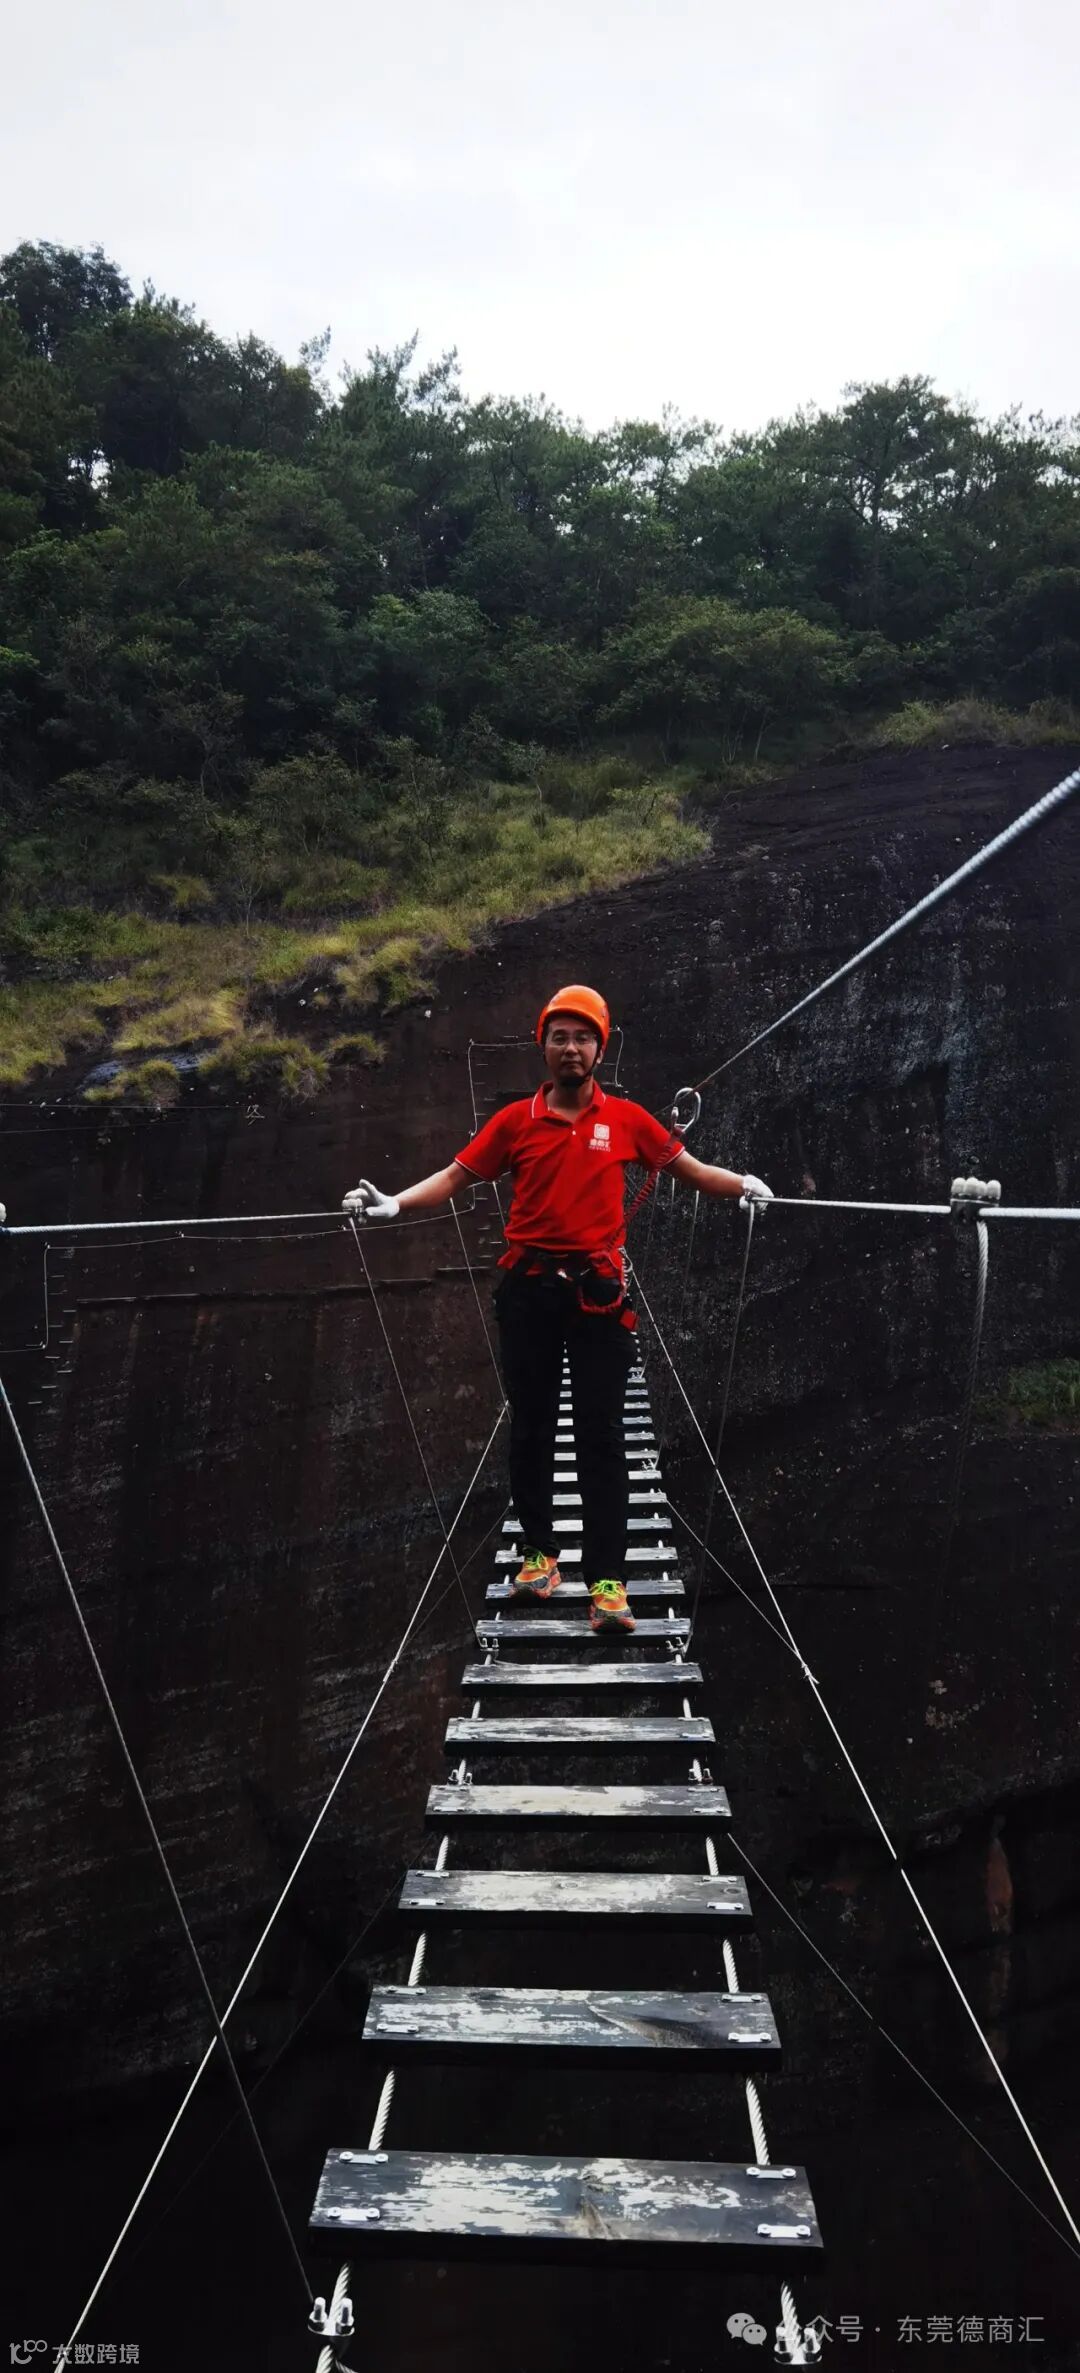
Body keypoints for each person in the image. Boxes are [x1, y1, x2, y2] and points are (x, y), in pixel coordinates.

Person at [343, 985, 772, 1632]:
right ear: (542, 1046)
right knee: (532, 1427)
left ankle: (607, 1582)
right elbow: (457, 1177)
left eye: (583, 1037)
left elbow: (691, 1170)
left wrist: (742, 1185)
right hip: (529, 1294)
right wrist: (396, 1203)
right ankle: (541, 1556)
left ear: (601, 1047)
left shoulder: (627, 1119)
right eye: (560, 1037)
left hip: (598, 1299)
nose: (571, 1048)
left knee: (601, 1435)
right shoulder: (515, 1121)